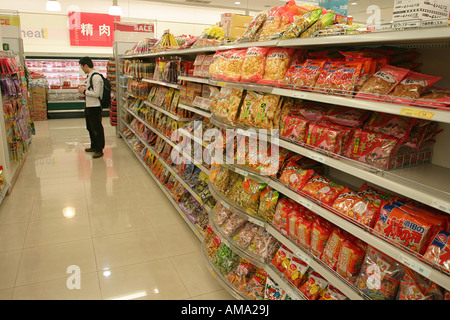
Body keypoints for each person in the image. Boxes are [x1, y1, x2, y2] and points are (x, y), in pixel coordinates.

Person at [78, 56, 105, 159]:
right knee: (90, 127)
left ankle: (99, 149)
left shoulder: (96, 77)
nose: (82, 69)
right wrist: (84, 94)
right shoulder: (89, 76)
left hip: (95, 106)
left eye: (82, 67)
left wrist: (84, 91)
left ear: (86, 65)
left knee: (97, 128)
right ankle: (94, 146)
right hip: (89, 105)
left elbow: (97, 94)